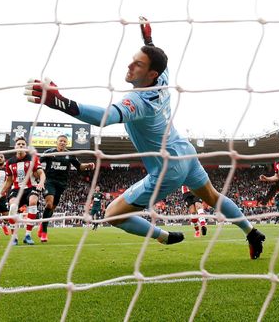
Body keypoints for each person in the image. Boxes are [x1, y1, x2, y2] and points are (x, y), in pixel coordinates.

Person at [24, 17, 265, 259]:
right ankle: (251, 231)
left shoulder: (138, 102)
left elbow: (105, 117)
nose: (130, 66)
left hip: (167, 168)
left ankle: (163, 236)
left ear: (150, 73)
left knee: (112, 215)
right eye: (132, 60)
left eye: (137, 64)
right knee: (212, 196)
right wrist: (148, 39)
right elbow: (161, 62)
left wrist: (60, 102)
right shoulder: (162, 79)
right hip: (185, 152)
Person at [39, 135, 95, 241]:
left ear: (67, 143)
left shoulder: (70, 155)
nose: (62, 143)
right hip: (50, 182)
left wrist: (88, 165)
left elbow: (79, 166)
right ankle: (44, 232)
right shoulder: (49, 152)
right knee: (49, 204)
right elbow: (37, 162)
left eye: (64, 141)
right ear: (57, 142)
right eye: (61, 141)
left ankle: (43, 224)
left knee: (53, 208)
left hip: (62, 184)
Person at [0, 136, 46, 245]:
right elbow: (8, 181)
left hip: (31, 187)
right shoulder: (9, 162)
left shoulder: (33, 158)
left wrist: (41, 182)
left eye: (23, 144)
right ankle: (14, 237)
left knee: (33, 202)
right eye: (18, 144)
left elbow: (41, 173)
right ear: (15, 147)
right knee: (12, 207)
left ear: (26, 147)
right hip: (16, 189)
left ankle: (28, 235)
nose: (21, 146)